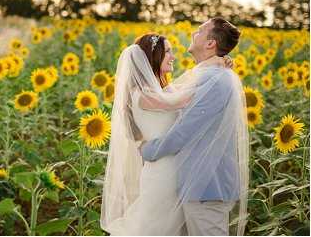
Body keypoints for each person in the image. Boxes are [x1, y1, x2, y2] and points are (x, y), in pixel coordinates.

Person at [100, 18, 249, 236]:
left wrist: (148, 150)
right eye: (168, 51)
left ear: (210, 44)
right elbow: (180, 99)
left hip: (198, 182)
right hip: (171, 176)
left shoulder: (211, 80)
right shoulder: (149, 94)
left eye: (199, 31)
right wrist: (210, 64)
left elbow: (182, 127)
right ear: (153, 58)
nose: (174, 55)